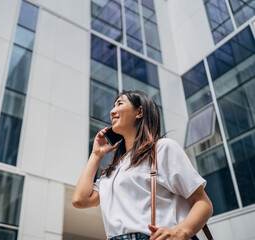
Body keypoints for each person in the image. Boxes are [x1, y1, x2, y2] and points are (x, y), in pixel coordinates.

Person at [72, 90, 213, 240]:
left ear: (139, 111)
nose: (112, 111)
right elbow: (80, 200)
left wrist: (180, 232)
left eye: (120, 103)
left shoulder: (161, 149)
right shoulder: (114, 170)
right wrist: (96, 155)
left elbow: (203, 203)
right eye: (113, 106)